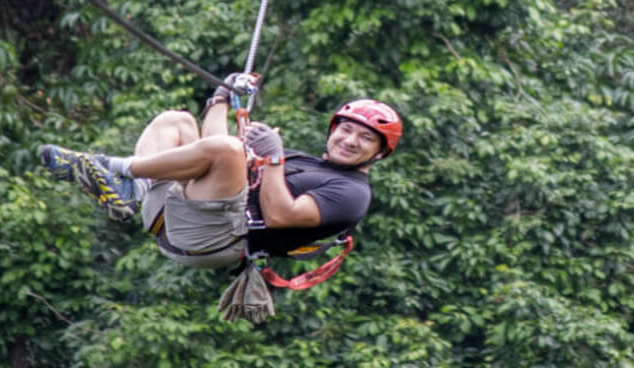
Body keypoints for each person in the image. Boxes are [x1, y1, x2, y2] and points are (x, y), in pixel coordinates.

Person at [38, 74, 402, 270]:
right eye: (346, 129)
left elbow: (280, 216)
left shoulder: (352, 192)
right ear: (332, 129)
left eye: (366, 138)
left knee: (231, 150)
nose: (350, 140)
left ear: (380, 153)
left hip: (213, 240)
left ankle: (113, 169)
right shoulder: (303, 160)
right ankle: (135, 188)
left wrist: (272, 160)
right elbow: (214, 147)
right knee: (176, 121)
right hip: (176, 214)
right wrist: (222, 97)